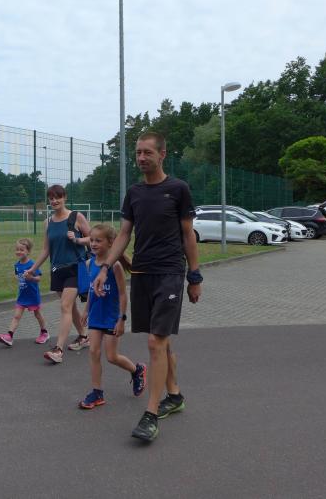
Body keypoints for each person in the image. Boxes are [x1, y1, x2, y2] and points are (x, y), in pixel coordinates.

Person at [92, 132, 202, 442]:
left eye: (147, 152)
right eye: (138, 152)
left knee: (155, 342)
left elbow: (188, 235)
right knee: (161, 341)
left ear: (162, 154)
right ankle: (174, 395)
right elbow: (124, 234)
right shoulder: (134, 193)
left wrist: (194, 276)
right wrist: (104, 267)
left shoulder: (178, 189)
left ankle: (151, 414)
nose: (141, 157)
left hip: (169, 273)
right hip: (141, 273)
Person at [78, 224, 146, 410]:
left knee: (111, 356)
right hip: (95, 316)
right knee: (93, 352)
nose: (93, 244)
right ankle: (97, 393)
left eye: (98, 241)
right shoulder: (90, 263)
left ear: (111, 243)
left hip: (111, 317)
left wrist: (121, 319)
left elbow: (123, 295)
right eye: (91, 240)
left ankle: (137, 370)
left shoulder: (115, 266)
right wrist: (86, 310)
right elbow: (91, 290)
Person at [24, 185, 90, 364]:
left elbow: (93, 239)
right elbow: (46, 249)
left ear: (65, 197)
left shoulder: (76, 217)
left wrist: (77, 239)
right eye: (51, 198)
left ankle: (58, 349)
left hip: (75, 268)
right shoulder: (48, 222)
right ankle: (84, 336)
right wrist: (33, 269)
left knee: (65, 306)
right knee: (70, 307)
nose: (54, 201)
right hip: (57, 270)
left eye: (57, 197)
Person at [0, 238, 50, 346]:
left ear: (28, 251)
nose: (19, 252)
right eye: (17, 249)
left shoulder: (32, 264)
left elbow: (38, 278)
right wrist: (19, 278)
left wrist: (31, 278)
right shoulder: (17, 265)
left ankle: (44, 333)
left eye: (22, 250)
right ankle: (9, 336)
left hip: (32, 295)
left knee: (38, 314)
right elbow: (17, 275)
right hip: (22, 296)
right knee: (16, 316)